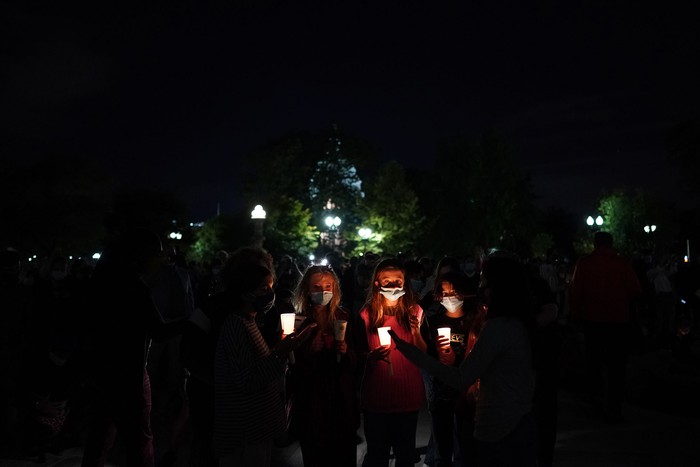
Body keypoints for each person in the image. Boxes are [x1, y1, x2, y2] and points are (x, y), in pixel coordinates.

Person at [389, 254, 537, 467]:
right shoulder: (519, 323)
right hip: (517, 419)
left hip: (500, 425)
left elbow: (461, 377)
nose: (480, 287)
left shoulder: (499, 328)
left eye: (484, 281)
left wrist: (413, 354)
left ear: (498, 287)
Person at [80, 228, 186, 467]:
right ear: (140, 255)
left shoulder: (100, 283)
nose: (160, 260)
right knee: (139, 443)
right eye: (156, 254)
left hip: (101, 373)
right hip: (129, 376)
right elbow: (158, 331)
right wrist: (191, 320)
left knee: (99, 437)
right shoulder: (134, 288)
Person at [214, 259, 315, 467]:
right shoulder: (236, 326)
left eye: (271, 287)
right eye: (264, 288)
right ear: (245, 292)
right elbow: (246, 379)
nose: (271, 293)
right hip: (244, 430)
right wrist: (281, 353)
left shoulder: (250, 321)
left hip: (257, 428)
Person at [355, 258, 427, 467]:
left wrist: (415, 332)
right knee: (377, 454)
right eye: (387, 281)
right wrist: (369, 357)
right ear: (377, 284)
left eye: (398, 280)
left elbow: (423, 354)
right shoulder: (366, 315)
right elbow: (357, 353)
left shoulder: (415, 311)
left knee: (405, 454)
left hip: (407, 396)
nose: (394, 285)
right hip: (377, 395)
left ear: (405, 283)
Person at [289, 265, 360, 467]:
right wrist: (309, 351)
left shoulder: (343, 317)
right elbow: (291, 364)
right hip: (312, 402)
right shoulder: (298, 320)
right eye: (316, 287)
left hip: (341, 400)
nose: (323, 292)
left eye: (328, 286)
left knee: (343, 455)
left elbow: (355, 361)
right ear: (306, 290)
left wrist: (346, 351)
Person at [569, 231, 642, 423]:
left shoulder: (584, 263)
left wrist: (575, 313)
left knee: (594, 362)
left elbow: (575, 292)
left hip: (592, 320)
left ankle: (596, 401)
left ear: (595, 244)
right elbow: (636, 289)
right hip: (618, 321)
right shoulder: (622, 263)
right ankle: (614, 406)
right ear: (611, 244)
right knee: (617, 365)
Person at [423, 271, 480, 467]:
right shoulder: (435, 321)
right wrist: (439, 356)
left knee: (467, 448)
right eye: (444, 293)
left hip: (466, 392)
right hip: (441, 391)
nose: (449, 297)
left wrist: (456, 359)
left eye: (453, 292)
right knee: (442, 448)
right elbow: (428, 354)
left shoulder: (474, 321)